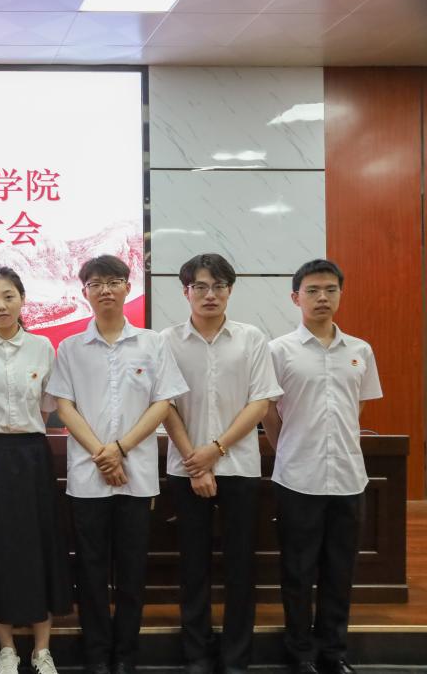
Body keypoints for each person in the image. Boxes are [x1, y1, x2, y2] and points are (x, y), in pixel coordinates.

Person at [45, 255, 187, 674]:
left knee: (131, 571)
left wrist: (120, 448)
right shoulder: (70, 348)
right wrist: (103, 454)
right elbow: (64, 407)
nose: (105, 289)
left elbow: (163, 402)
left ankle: (125, 656)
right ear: (84, 292)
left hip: (137, 478)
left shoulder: (152, 343)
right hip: (88, 479)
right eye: (96, 283)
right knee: (89, 571)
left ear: (128, 287)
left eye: (113, 281)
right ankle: (95, 656)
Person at [159, 254, 282, 674]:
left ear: (230, 290)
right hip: (186, 469)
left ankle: (235, 657)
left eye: (219, 286)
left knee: (240, 566)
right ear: (186, 292)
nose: (210, 294)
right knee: (192, 566)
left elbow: (260, 402)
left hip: (239, 468)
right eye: (200, 286)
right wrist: (197, 463)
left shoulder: (251, 339)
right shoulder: (167, 341)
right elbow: (165, 405)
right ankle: (196, 654)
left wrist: (215, 450)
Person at [263, 259, 383, 674]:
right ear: (295, 297)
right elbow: (269, 412)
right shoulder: (279, 350)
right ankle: (300, 653)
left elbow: (357, 407)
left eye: (330, 290)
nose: (322, 298)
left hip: (348, 477)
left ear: (340, 295)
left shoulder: (360, 351)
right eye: (312, 290)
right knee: (297, 571)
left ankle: (333, 651)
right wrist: (289, 449)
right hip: (298, 477)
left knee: (340, 570)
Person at [0, 267, 72, 674]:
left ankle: (42, 649)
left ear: (23, 299)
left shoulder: (43, 348)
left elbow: (48, 407)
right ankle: (7, 648)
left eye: (8, 296)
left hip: (31, 456)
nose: (1, 305)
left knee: (40, 546)